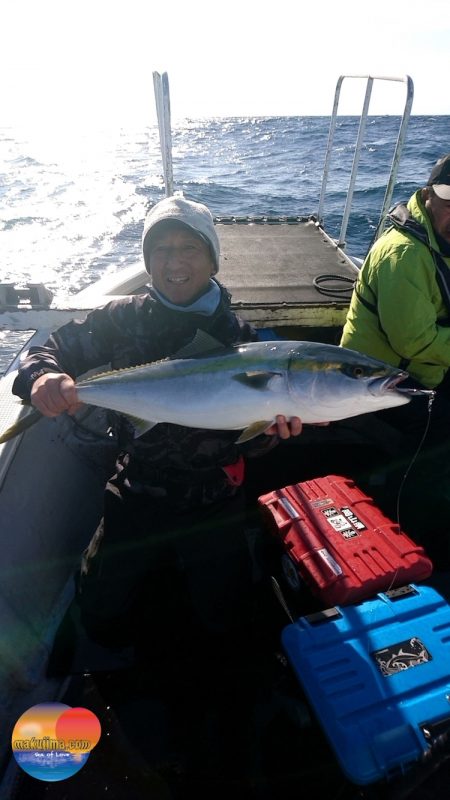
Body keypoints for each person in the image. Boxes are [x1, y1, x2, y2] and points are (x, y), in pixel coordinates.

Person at [12, 195, 302, 653]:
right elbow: (47, 348)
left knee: (225, 619)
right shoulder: (122, 317)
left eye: (189, 248)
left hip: (213, 492)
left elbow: (251, 442)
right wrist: (42, 377)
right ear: (148, 262)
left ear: (212, 259)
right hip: (135, 485)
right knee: (100, 614)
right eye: (162, 250)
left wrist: (270, 435)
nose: (175, 262)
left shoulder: (239, 338)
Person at [340, 154, 450, 553]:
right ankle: (416, 527)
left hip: (422, 368)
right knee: (440, 428)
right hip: (373, 378)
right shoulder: (403, 255)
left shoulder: (441, 240)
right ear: (427, 196)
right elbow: (415, 343)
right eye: (449, 198)